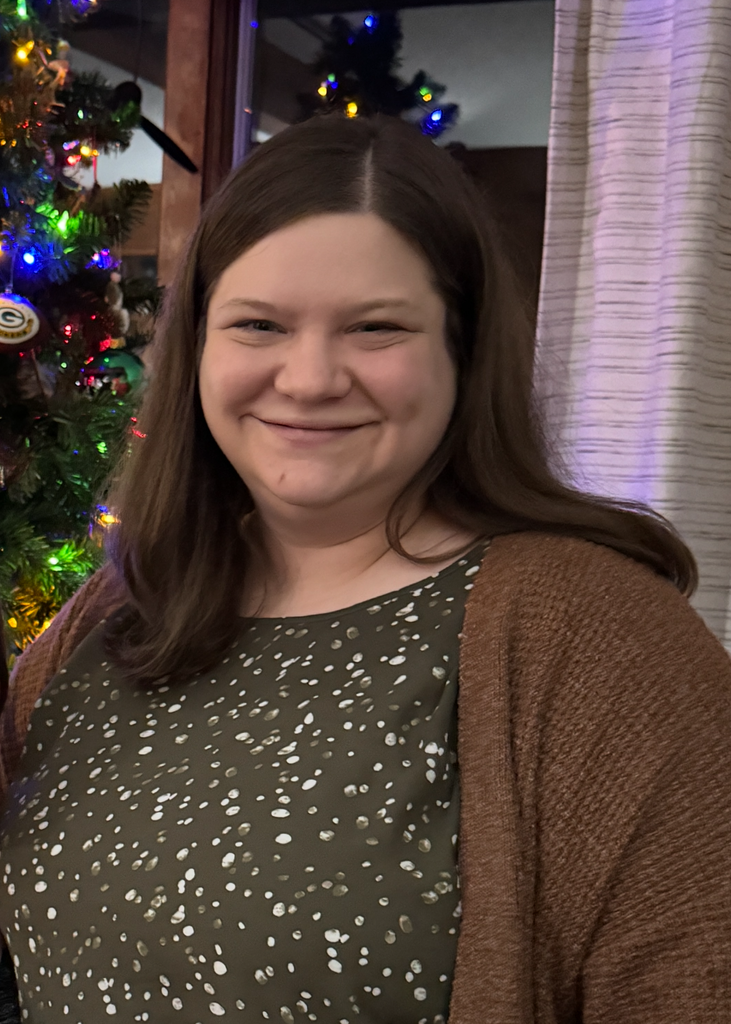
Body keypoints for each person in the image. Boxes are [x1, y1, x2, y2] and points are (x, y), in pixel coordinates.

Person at [1, 112, 730, 1024]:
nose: (308, 378)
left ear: (462, 352)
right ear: (197, 351)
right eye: (258, 324)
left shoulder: (602, 645)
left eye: (375, 328)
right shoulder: (118, 609)